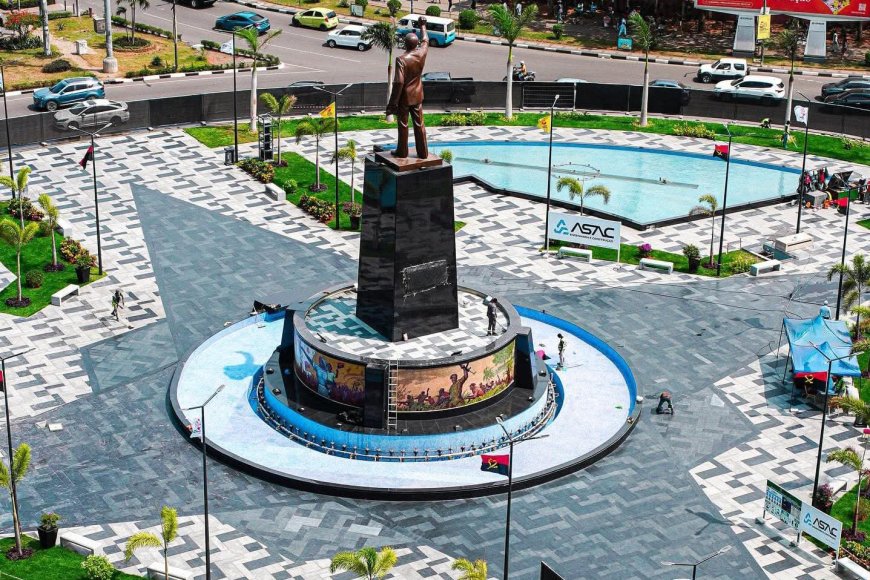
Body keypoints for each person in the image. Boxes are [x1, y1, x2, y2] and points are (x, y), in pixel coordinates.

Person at [386, 17, 430, 159]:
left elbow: (399, 82)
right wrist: (423, 26)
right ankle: (423, 153)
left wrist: (392, 103)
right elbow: (426, 40)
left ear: (405, 44)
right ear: (416, 44)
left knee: (403, 124)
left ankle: (402, 152)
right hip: (417, 95)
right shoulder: (421, 53)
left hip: (404, 98)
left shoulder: (401, 60)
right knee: (419, 124)